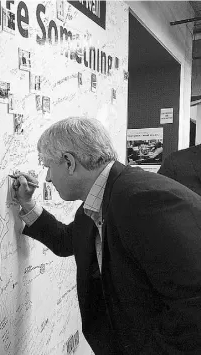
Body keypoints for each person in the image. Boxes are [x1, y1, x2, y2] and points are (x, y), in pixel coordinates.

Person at [12, 117, 201, 354]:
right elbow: (66, 241)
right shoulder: (100, 200)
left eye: (49, 166)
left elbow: (193, 302)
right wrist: (28, 204)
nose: (48, 177)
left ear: (69, 162)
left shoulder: (142, 199)